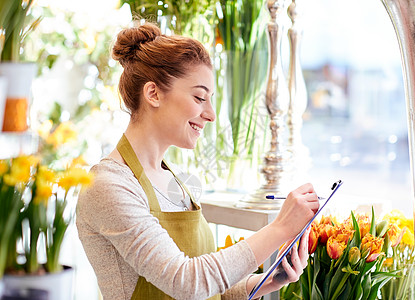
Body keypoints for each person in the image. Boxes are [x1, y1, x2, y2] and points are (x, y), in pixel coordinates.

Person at [76, 22, 320, 300]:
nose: (211, 114)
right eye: (199, 97)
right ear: (153, 93)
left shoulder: (177, 180)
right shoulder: (108, 185)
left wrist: (267, 281)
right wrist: (280, 228)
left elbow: (211, 290)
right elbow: (187, 283)